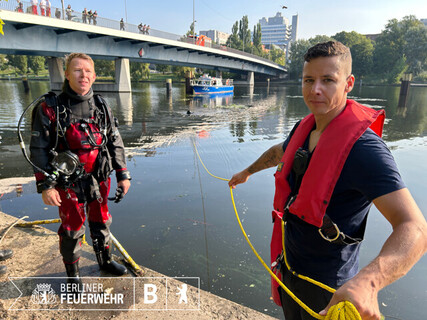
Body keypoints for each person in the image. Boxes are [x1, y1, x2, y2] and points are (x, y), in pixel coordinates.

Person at [228, 41, 427, 320]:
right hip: (290, 273)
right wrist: (247, 172)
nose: (315, 89)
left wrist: (369, 283)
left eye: (328, 80)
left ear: (348, 83)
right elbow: (279, 153)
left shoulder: (364, 149)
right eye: (309, 80)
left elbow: (415, 228)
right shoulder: (304, 127)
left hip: (330, 291)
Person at [30, 53, 131, 288]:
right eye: (77, 70)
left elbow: (115, 141)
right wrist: (46, 186)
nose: (83, 75)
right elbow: (39, 150)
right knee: (71, 228)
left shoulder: (102, 105)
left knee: (101, 221)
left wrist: (122, 174)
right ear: (66, 74)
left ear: (94, 76)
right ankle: (73, 275)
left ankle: (105, 261)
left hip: (99, 178)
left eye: (87, 71)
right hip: (67, 183)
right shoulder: (49, 108)